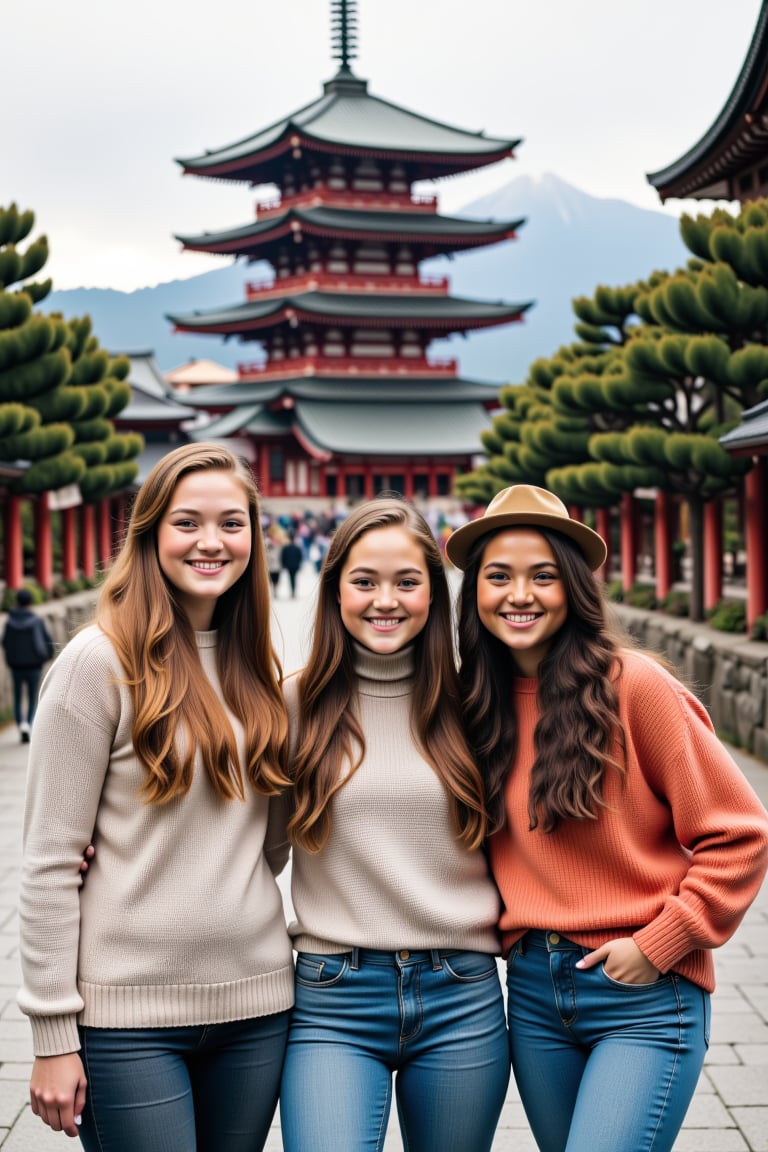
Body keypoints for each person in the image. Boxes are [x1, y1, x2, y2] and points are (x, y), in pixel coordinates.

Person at [447, 484, 768, 1152]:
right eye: (498, 576)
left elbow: (739, 833)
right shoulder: (477, 703)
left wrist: (660, 944)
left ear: (572, 586)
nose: (519, 594)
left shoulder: (636, 686)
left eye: (542, 576)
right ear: (474, 591)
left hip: (642, 992)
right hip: (533, 995)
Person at [18, 443, 294, 1152]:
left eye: (232, 524)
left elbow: (268, 844)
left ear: (255, 538)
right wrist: (52, 1034)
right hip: (126, 1018)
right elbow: (48, 864)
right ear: (149, 535)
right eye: (187, 523)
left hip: (257, 1005)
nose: (212, 542)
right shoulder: (96, 665)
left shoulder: (256, 663)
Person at [279, 497, 510, 1152]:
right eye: (364, 582)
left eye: (407, 582)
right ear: (335, 593)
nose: (387, 601)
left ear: (435, 595)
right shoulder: (293, 705)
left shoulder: (477, 704)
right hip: (332, 999)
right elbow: (244, 838)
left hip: (459, 997)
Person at [2, 587, 54, 743]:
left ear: (17, 601)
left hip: (16, 665)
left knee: (17, 697)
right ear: (30, 602)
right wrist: (48, 656)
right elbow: (46, 640)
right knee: (32, 697)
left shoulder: (10, 621)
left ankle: (21, 726)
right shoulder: (37, 621)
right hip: (34, 665)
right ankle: (30, 724)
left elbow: (4, 642)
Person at [280, 532, 303, 598]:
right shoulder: (297, 547)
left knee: (290, 578)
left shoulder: (286, 548)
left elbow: (283, 557)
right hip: (295, 566)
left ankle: (292, 591)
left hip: (289, 566)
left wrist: (284, 564)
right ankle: (293, 591)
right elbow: (300, 557)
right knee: (294, 578)